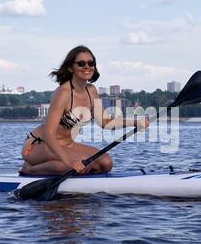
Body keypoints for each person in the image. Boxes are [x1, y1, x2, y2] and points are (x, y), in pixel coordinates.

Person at [19, 45, 149, 175]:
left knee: (105, 163)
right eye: (81, 64)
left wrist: (136, 122)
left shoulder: (91, 91)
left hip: (67, 144)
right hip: (40, 145)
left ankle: (69, 171)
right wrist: (69, 162)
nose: (87, 67)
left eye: (91, 63)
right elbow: (48, 133)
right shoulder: (63, 93)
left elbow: (105, 122)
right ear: (71, 68)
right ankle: (29, 168)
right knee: (81, 164)